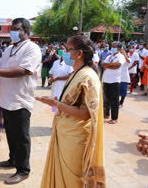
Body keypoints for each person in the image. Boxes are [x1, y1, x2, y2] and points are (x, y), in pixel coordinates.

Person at [35, 35, 105, 188]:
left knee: (72, 181)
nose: (64, 53)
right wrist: (56, 102)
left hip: (75, 139)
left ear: (79, 53)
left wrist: (56, 104)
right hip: (65, 134)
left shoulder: (88, 76)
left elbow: (87, 113)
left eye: (67, 49)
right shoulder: (76, 72)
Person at [0, 18, 42, 184]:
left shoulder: (32, 49)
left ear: (26, 31)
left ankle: (23, 170)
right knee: (11, 133)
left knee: (21, 136)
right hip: (6, 98)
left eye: (16, 29)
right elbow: (0, 67)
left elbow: (23, 70)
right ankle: (13, 160)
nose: (12, 32)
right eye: (11, 29)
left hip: (20, 99)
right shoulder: (9, 49)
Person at [102, 41, 125, 124]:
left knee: (114, 100)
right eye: (112, 46)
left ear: (119, 48)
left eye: (114, 46)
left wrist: (108, 65)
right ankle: (106, 114)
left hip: (115, 80)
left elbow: (117, 66)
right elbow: (103, 65)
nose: (112, 48)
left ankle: (114, 118)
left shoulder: (121, 57)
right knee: (106, 98)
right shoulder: (109, 56)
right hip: (106, 80)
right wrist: (111, 65)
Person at [48, 45, 73, 113]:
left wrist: (57, 78)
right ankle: (54, 113)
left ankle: (59, 115)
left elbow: (70, 75)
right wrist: (51, 78)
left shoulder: (69, 64)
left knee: (61, 103)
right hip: (55, 86)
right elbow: (51, 72)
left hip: (63, 86)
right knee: (54, 101)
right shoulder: (55, 62)